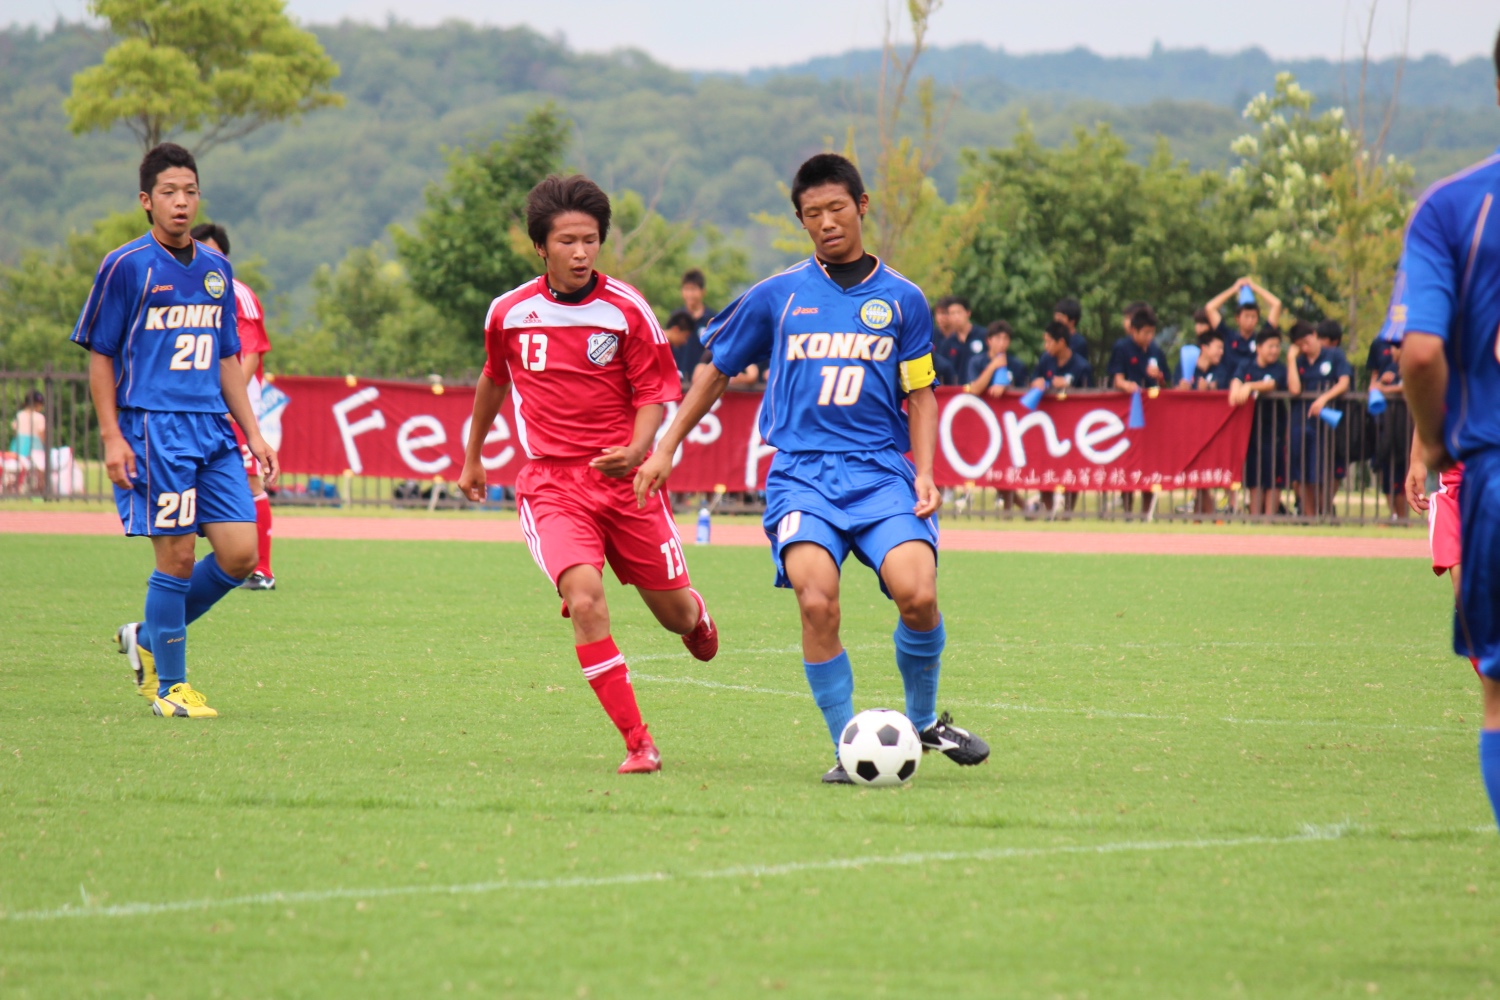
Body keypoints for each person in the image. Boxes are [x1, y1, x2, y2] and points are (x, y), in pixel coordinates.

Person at [635, 152, 989, 783]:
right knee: (818, 602)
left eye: (835, 208)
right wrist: (666, 445)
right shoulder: (779, 294)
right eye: (811, 214)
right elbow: (714, 370)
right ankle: (847, 751)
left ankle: (926, 720)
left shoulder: (903, 300)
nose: (826, 222)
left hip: (882, 474)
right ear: (801, 221)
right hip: (802, 476)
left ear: (861, 207)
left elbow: (922, 393)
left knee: (919, 595)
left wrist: (927, 472)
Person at [456, 173, 718, 776]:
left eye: (591, 240)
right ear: (540, 247)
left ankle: (695, 613)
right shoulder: (509, 313)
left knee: (675, 616)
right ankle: (638, 743)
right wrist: (473, 456)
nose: (581, 253)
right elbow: (494, 378)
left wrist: (639, 449)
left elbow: (656, 392)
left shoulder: (627, 310)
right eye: (568, 241)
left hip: (626, 485)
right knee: (585, 598)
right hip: (551, 484)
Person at [73, 143, 277, 719]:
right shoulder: (126, 266)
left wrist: (254, 436)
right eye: (169, 192)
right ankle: (172, 687)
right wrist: (112, 437)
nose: (181, 202)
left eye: (189, 191)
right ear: (146, 201)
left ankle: (145, 633)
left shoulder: (217, 271)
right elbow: (101, 357)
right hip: (153, 431)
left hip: (212, 429)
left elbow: (227, 361)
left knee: (241, 555)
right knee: (179, 558)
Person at [1399, 30, 1500, 831]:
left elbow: (1423, 351)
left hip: (1492, 470)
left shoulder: (1453, 207)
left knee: (1498, 694)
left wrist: (1431, 442)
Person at [191, 223, 277, 590]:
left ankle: (263, 570)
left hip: (232, 408)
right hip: (199, 408)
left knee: (250, 480)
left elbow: (250, 355)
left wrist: (228, 399)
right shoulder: (188, 291)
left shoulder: (236, 293)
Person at [1286, 319, 1352, 517]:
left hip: (1328, 425)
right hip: (1302, 422)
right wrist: (1290, 360)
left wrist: (1323, 398)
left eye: (1306, 342)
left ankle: (1325, 512)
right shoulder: (1299, 362)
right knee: (1304, 471)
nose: (1304, 348)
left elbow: (1344, 382)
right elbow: (1295, 389)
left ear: (1314, 335)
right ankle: (1309, 515)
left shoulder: (1334, 355)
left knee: (1325, 471)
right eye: (1299, 346)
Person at [1228, 328, 1289, 517]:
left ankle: (1269, 519)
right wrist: (1237, 387)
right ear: (1259, 348)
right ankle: (1254, 517)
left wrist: (1250, 386)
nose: (1274, 350)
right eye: (1270, 346)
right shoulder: (1246, 365)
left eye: (1277, 346)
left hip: (1274, 430)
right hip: (1251, 430)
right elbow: (1235, 382)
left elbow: (1271, 384)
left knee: (1273, 478)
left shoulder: (1279, 369)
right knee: (1254, 479)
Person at [1204, 277, 1282, 369]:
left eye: (1253, 317)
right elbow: (1210, 307)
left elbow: (1277, 304)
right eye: (1246, 316)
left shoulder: (1262, 337)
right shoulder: (1227, 336)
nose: (1250, 320)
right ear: (1237, 318)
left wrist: (1255, 287)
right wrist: (1234, 289)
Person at [1108, 306, 1170, 393]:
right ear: (1134, 330)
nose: (1150, 336)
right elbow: (1118, 380)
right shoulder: (1121, 347)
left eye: (1152, 332)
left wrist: (1159, 377)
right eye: (1146, 332)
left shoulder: (1156, 350)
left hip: (1150, 400)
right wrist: (1128, 385)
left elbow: (1165, 386)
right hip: (1127, 401)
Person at [962, 320, 1028, 392]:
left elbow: (1023, 392)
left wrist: (1005, 388)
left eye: (1005, 339)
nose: (1001, 343)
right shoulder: (976, 362)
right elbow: (974, 390)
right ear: (988, 340)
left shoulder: (1017, 365)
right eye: (997, 338)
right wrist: (993, 366)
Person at [1029, 321, 1093, 391]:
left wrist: (1069, 388)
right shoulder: (1045, 359)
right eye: (1045, 342)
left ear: (1061, 342)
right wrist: (1036, 383)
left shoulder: (1082, 367)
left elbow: (1089, 395)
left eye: (1049, 342)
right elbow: (1031, 381)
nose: (1045, 346)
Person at [671, 269, 711, 380]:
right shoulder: (676, 317)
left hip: (702, 381)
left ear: (703, 291)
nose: (689, 294)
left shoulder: (712, 319)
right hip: (679, 380)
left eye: (693, 289)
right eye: (686, 289)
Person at [8, 390, 45, 492]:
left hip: (18, 446)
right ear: (38, 404)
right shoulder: (40, 417)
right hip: (35, 447)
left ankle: (14, 489)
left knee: (17, 470)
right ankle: (38, 491)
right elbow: (42, 435)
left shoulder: (19, 415)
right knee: (39, 472)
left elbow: (15, 431)